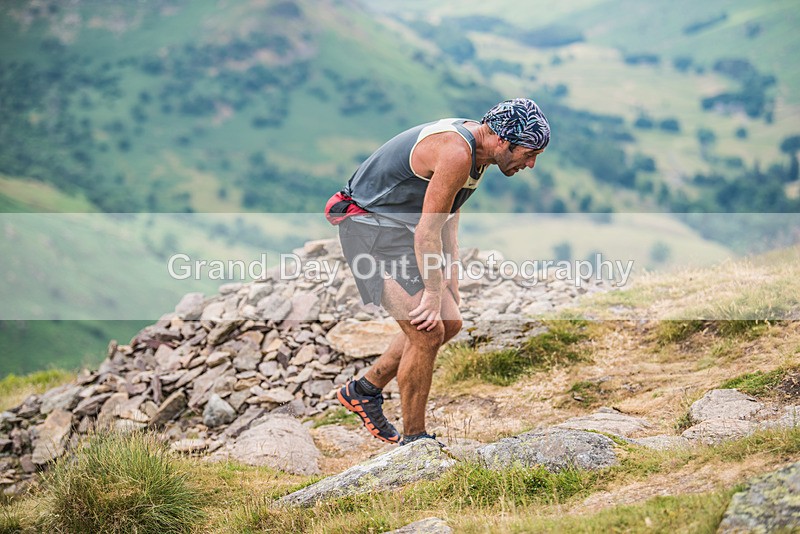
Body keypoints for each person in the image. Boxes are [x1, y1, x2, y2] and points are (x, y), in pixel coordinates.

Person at [328, 98, 550, 446]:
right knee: (426, 332)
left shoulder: (480, 153)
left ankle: (364, 390)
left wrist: (451, 281)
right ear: (503, 141)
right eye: (529, 152)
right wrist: (432, 293)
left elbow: (448, 215)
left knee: (451, 322)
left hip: (399, 233)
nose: (532, 163)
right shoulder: (456, 152)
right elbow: (427, 232)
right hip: (367, 231)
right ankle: (414, 442)